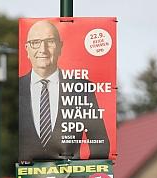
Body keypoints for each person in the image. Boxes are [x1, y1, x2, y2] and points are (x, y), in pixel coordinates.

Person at [19, 20, 109, 161]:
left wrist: (84, 176)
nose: (43, 49)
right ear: (27, 49)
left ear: (60, 47)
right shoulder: (16, 88)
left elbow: (100, 143)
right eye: (35, 42)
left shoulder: (81, 89)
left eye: (50, 41)